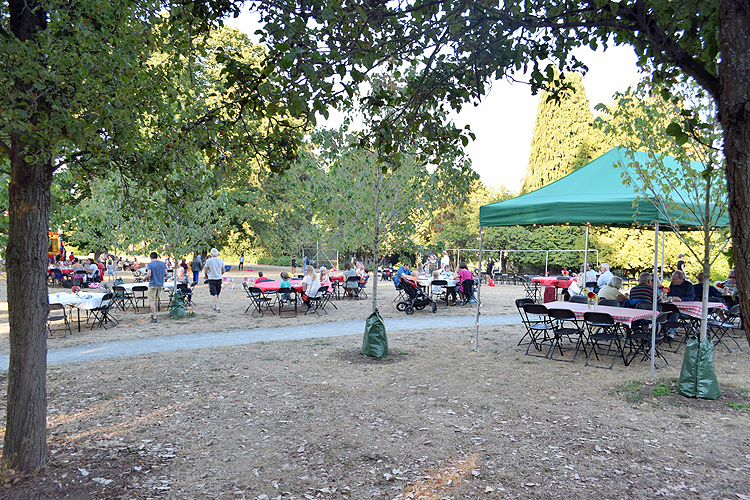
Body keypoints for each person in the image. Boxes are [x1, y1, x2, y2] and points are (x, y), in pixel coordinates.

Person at [145, 252, 167, 323]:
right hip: (160, 284)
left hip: (152, 284)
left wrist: (144, 278)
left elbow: (149, 274)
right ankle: (153, 313)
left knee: (152, 300)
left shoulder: (150, 264)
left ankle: (154, 317)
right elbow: (166, 273)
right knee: (156, 298)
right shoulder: (162, 264)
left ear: (150, 257)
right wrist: (161, 277)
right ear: (157, 257)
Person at [204, 248, 225, 313]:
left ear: (211, 253)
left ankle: (217, 307)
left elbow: (206, 270)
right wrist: (219, 274)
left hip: (212, 278)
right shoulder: (221, 260)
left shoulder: (208, 261)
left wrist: (206, 275)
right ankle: (215, 306)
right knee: (217, 293)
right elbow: (223, 270)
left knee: (214, 294)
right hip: (219, 278)